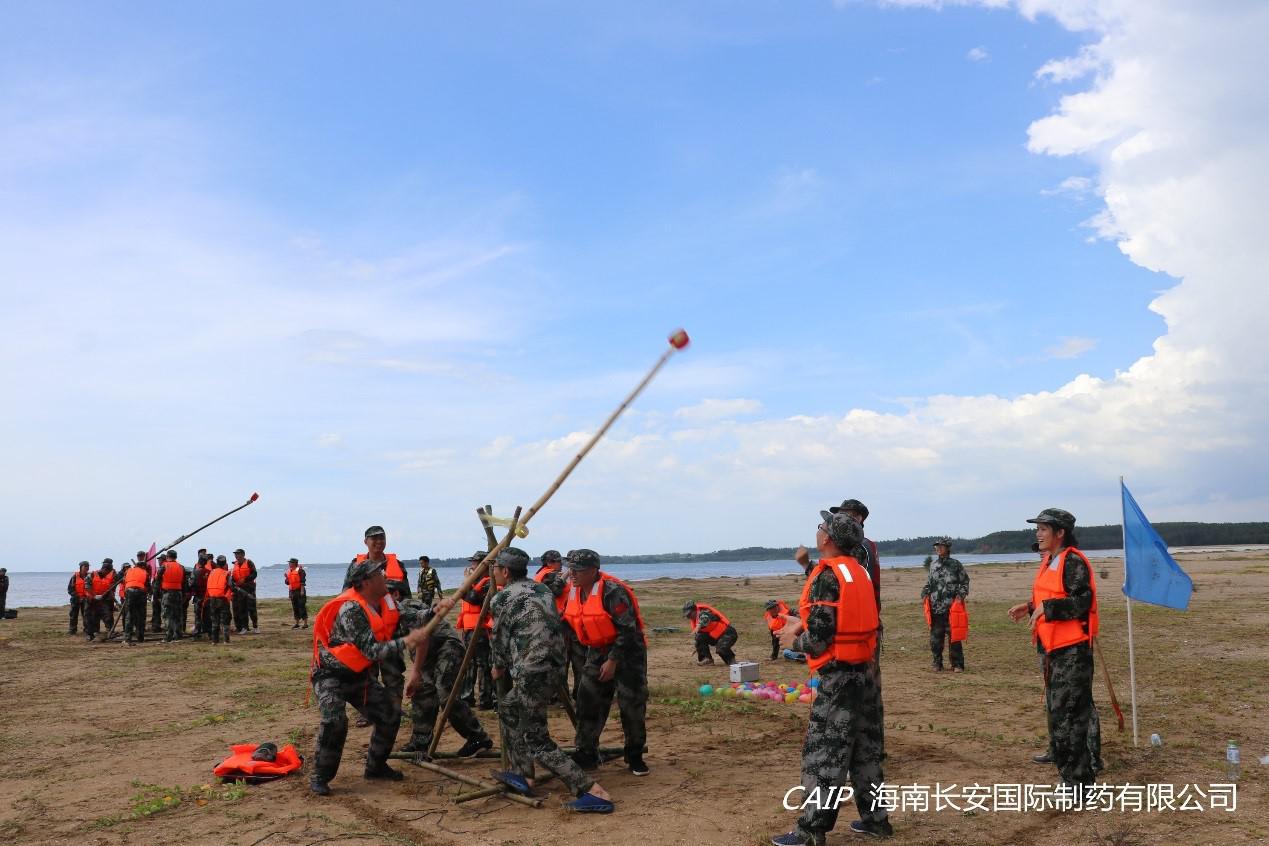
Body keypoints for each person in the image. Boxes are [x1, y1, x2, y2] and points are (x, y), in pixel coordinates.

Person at [771, 509, 891, 845]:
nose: (818, 530)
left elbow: (820, 638)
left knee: (824, 754)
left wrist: (793, 640)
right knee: (866, 751)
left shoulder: (828, 576)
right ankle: (876, 821)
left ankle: (811, 830)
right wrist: (801, 623)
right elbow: (842, 620)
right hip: (865, 673)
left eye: (821, 526)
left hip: (838, 679)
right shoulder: (858, 571)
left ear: (828, 539)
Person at [485, 547, 614, 812]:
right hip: (554, 667)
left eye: (495, 569)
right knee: (508, 707)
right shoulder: (542, 589)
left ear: (505, 571)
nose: (494, 573)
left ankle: (593, 791)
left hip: (532, 670)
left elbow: (499, 637)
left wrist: (497, 666)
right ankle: (523, 775)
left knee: (537, 740)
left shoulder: (502, 598)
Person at [309, 556, 429, 796]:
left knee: (390, 714)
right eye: (378, 574)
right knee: (335, 721)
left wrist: (437, 609)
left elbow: (416, 617)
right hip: (330, 674)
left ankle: (376, 767)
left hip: (357, 675)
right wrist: (407, 641)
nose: (384, 576)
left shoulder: (384, 601)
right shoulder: (351, 609)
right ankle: (320, 776)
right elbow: (372, 651)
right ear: (365, 582)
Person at [1008, 508, 1100, 790]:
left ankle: (1079, 785)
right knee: (1059, 716)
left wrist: (1047, 608)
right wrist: (1030, 607)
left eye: (1043, 529)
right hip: (1052, 650)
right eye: (1037, 528)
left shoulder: (1072, 561)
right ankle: (1072, 780)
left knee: (1070, 719)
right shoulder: (1050, 560)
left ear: (1060, 533)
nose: (1038, 534)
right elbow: (1053, 595)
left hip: (1072, 653)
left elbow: (1082, 601)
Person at [562, 549, 650, 776]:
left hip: (628, 653)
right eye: (571, 569)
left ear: (593, 571)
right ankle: (587, 753)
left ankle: (635, 756)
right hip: (597, 650)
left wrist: (612, 661)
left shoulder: (612, 592)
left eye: (578, 570)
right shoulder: (573, 590)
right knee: (587, 701)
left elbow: (627, 630)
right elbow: (567, 622)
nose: (572, 574)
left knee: (631, 705)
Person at [397, 585, 493, 758]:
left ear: (395, 594)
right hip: (427, 653)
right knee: (422, 691)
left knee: (445, 692)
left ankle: (478, 737)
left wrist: (416, 671)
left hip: (447, 646)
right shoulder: (384, 611)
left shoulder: (404, 608)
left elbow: (422, 638)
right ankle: (420, 741)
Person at [534, 549, 580, 696]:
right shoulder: (551, 575)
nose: (562, 564)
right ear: (549, 563)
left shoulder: (539, 575)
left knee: (556, 660)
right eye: (559, 561)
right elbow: (555, 591)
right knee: (565, 660)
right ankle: (563, 695)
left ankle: (556, 695)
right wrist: (564, 576)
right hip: (562, 623)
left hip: (549, 621)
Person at [921, 537, 969, 672]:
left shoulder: (956, 564)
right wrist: (924, 593)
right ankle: (937, 663)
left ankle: (957, 664)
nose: (938, 548)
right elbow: (929, 583)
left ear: (947, 548)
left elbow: (965, 582)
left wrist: (960, 596)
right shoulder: (933, 565)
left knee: (954, 637)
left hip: (952, 608)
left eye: (941, 546)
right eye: (936, 546)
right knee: (935, 639)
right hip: (935, 608)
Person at [456, 551, 496, 710]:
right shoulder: (474, 582)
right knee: (468, 664)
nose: (472, 566)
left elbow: (473, 599)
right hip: (468, 629)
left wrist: (467, 582)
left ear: (484, 565)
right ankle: (467, 698)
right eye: (472, 563)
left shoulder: (488, 582)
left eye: (475, 563)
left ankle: (485, 699)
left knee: (483, 664)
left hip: (481, 630)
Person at [350, 527, 411, 599]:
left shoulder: (399, 565)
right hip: (365, 605)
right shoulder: (356, 565)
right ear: (365, 541)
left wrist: (398, 600)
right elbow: (346, 593)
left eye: (382, 538)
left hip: (393, 605)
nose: (379, 541)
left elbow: (407, 596)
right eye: (374, 538)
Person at [683, 601, 737, 666]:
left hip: (728, 633)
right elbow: (700, 638)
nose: (689, 617)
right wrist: (699, 647)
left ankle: (731, 661)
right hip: (715, 636)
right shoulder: (695, 620)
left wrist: (699, 625)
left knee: (721, 649)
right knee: (699, 637)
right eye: (687, 616)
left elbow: (705, 618)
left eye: (689, 614)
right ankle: (707, 659)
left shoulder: (704, 611)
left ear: (695, 610)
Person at [156, 550, 186, 642]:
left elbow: (157, 580)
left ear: (167, 557)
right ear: (176, 557)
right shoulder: (181, 567)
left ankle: (169, 635)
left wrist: (157, 594)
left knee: (167, 615)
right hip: (178, 593)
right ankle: (178, 635)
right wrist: (184, 594)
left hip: (167, 593)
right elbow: (184, 582)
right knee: (177, 614)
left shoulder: (164, 566)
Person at [122, 555, 152, 645]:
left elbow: (124, 582)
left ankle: (128, 638)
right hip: (140, 593)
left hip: (129, 592)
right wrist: (149, 593)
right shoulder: (145, 573)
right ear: (143, 566)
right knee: (141, 615)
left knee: (130, 615)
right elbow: (148, 586)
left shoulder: (128, 571)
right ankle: (140, 637)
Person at [85, 559, 117, 641]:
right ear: (104, 569)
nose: (108, 574)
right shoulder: (92, 575)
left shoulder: (108, 577)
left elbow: (110, 589)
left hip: (102, 600)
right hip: (91, 600)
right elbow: (87, 587)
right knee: (90, 617)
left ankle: (110, 631)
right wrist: (94, 596)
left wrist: (113, 601)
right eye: (107, 572)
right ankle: (90, 634)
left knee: (107, 615)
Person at [205, 555, 235, 644]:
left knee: (214, 620)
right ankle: (226, 640)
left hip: (212, 599)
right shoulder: (226, 573)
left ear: (217, 563)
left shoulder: (212, 572)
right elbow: (231, 585)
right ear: (225, 564)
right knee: (225, 620)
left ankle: (214, 641)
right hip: (223, 599)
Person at [231, 549, 259, 633]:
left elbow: (254, 574)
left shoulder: (249, 562)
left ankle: (255, 627)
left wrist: (245, 579)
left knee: (252, 608)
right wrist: (233, 582)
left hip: (249, 589)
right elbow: (233, 577)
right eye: (236, 554)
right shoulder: (235, 565)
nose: (237, 556)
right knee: (242, 609)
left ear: (243, 555)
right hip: (240, 590)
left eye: (238, 554)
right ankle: (244, 627)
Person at [68, 561, 91, 636]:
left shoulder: (90, 576)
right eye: (85, 566)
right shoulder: (74, 577)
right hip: (76, 599)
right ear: (81, 567)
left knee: (86, 615)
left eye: (88, 566)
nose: (87, 568)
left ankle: (87, 630)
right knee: (73, 615)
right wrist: (77, 596)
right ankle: (72, 630)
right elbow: (70, 589)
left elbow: (91, 588)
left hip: (86, 599)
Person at [284, 558, 308, 628]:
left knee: (302, 606)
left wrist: (302, 590)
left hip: (299, 590)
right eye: (289, 563)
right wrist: (286, 577)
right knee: (295, 607)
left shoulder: (300, 571)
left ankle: (305, 624)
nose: (289, 564)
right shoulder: (289, 571)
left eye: (290, 563)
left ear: (294, 563)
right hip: (292, 591)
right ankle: (297, 623)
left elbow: (302, 581)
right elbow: (287, 583)